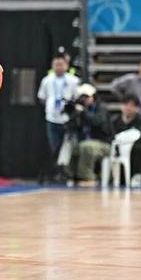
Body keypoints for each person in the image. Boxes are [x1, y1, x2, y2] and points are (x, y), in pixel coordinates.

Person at [37, 54, 80, 184]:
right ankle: (55, 173)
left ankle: (66, 172)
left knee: (66, 148)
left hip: (67, 120)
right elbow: (42, 97)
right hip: (51, 118)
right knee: (54, 147)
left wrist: (70, 109)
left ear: (66, 65)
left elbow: (77, 99)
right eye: (56, 64)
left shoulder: (73, 81)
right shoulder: (47, 80)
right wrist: (51, 107)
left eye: (61, 64)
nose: (59, 67)